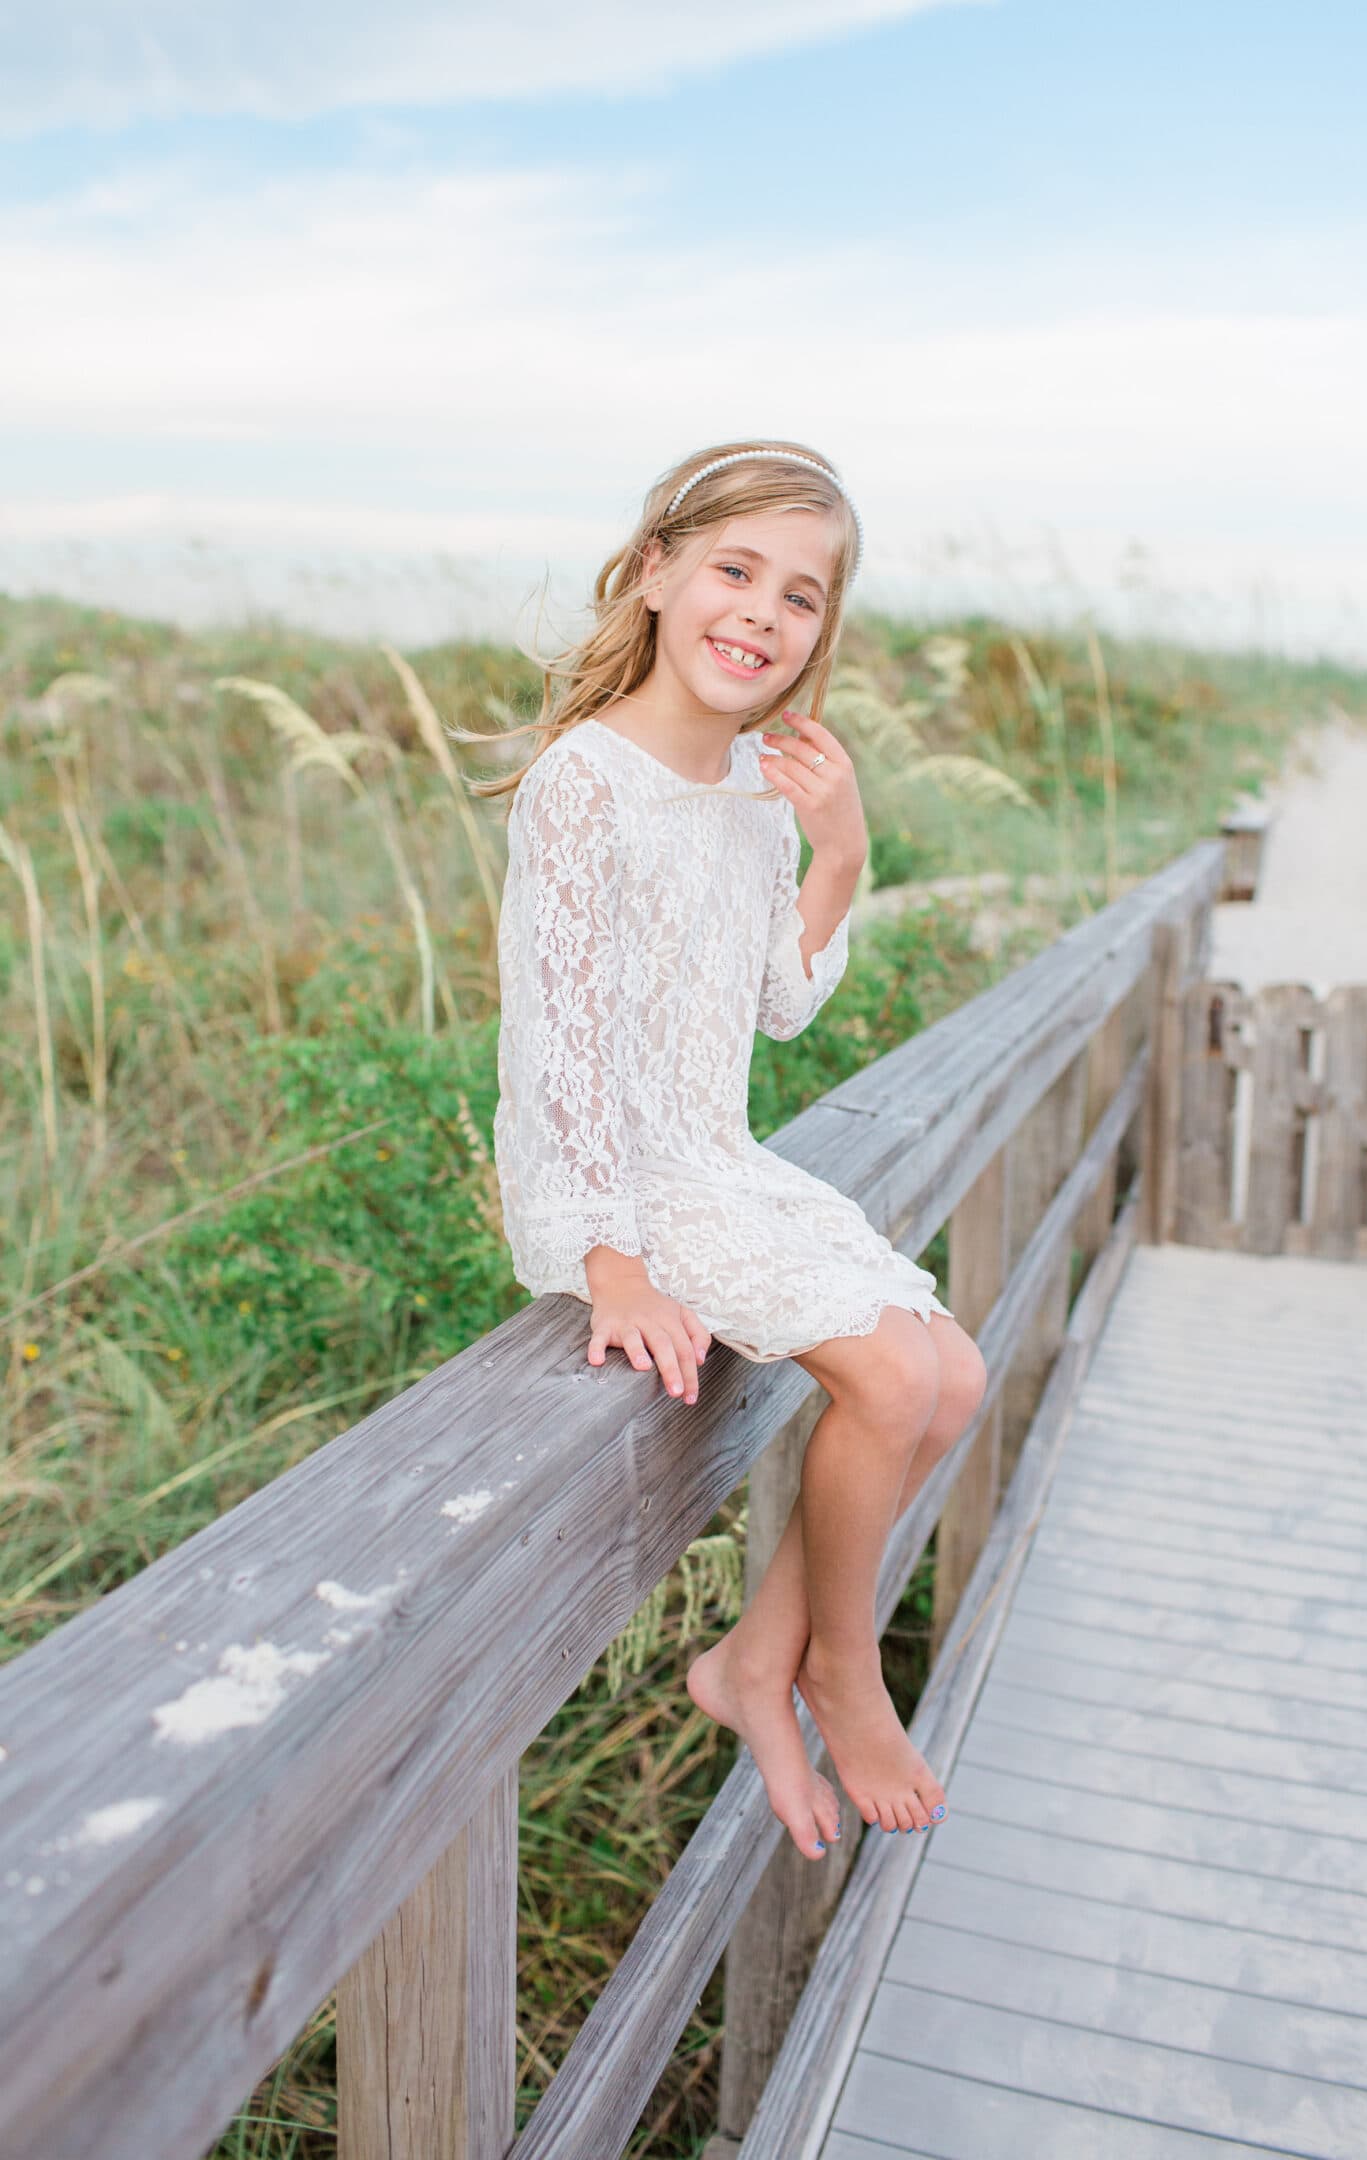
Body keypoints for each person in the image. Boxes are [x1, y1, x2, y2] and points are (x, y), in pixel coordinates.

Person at [477, 440, 988, 1860]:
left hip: (717, 1155)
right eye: (735, 570)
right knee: (890, 1369)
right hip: (628, 1189)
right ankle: (834, 1667)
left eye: (803, 596)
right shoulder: (585, 781)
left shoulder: (763, 790)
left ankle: (750, 1664)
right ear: (656, 574)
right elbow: (555, 1042)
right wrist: (612, 1264)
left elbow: (776, 1002)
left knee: (950, 1379)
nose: (764, 614)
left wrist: (835, 855)